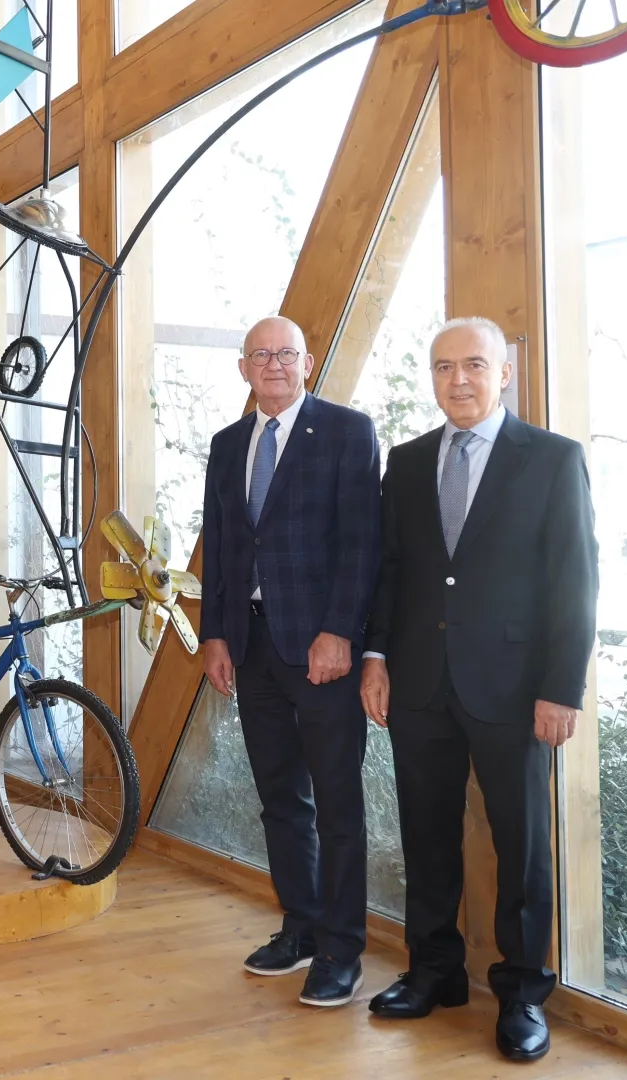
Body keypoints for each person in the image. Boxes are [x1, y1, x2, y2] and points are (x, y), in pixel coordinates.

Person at [361, 316, 597, 1062]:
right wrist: (376, 657)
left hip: (516, 689)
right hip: (419, 682)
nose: (457, 379)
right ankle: (434, 972)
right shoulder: (406, 462)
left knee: (521, 845)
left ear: (504, 374)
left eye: (472, 364)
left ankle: (522, 993)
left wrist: (561, 688)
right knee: (425, 835)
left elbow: (575, 581)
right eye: (442, 367)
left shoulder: (553, 459)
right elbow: (391, 571)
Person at [199, 315, 381, 1007]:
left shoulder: (346, 431)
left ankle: (341, 949)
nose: (273, 364)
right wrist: (215, 635)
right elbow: (219, 544)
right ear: (243, 368)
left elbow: (362, 542)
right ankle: (300, 925)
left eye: (286, 354)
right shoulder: (227, 445)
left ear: (308, 363)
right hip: (251, 646)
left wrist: (340, 632)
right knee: (281, 798)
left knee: (337, 804)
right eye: (261, 354)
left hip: (321, 650)